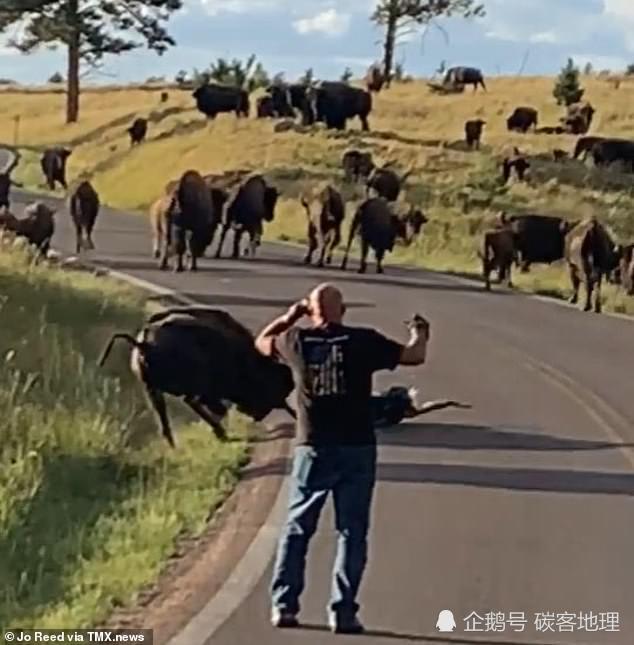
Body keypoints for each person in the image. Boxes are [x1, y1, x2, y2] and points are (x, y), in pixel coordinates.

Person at [255, 282, 430, 634]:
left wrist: (291, 316)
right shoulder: (363, 341)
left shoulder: (296, 341)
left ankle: (284, 605)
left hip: (313, 446)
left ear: (312, 311)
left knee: (298, 527)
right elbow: (414, 356)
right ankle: (343, 612)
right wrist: (420, 332)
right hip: (357, 447)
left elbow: (261, 342)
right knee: (352, 532)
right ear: (343, 311)